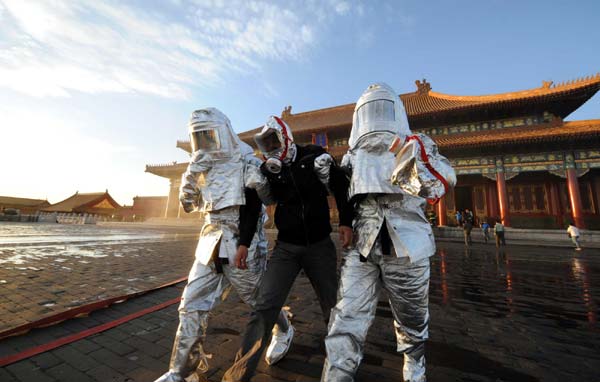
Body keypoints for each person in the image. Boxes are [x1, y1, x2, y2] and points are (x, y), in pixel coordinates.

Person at [320, 83, 456, 382]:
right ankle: (337, 373)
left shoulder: (418, 143)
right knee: (346, 315)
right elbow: (344, 192)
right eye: (370, 111)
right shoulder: (353, 155)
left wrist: (412, 155)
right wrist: (325, 174)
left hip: (407, 243)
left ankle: (414, 357)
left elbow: (443, 181)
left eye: (382, 109)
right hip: (364, 244)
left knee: (411, 314)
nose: (375, 117)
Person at [155, 108, 291, 382]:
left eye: (209, 135)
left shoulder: (245, 160)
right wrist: (189, 183)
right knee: (191, 304)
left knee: (258, 300)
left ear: (223, 132)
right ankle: (181, 371)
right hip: (209, 239)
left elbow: (266, 200)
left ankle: (285, 329)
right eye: (199, 137)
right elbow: (190, 206)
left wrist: (260, 182)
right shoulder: (200, 164)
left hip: (243, 240)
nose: (205, 143)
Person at [222, 115, 354, 382]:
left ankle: (341, 367)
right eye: (266, 143)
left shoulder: (314, 154)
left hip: (319, 245)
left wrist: (346, 221)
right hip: (286, 248)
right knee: (264, 307)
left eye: (274, 140)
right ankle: (238, 376)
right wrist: (244, 243)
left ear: (285, 136)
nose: (271, 147)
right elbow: (251, 207)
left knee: (332, 306)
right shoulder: (267, 170)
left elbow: (340, 185)